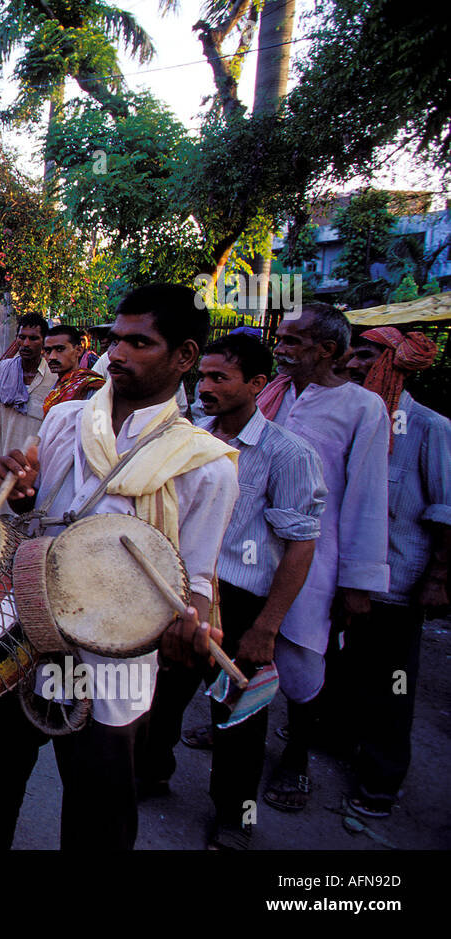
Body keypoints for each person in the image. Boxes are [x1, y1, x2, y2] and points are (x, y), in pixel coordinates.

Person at [0, 284, 239, 851]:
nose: (119, 353)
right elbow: (37, 510)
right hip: (34, 628)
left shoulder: (205, 465)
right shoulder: (66, 421)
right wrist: (24, 493)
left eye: (139, 342)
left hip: (115, 657)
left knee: (99, 798)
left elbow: (197, 578)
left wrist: (193, 624)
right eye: (114, 339)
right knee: (5, 761)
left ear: (184, 356)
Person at [137, 333, 326, 849]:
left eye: (220, 378)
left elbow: (300, 547)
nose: (206, 386)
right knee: (159, 698)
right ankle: (151, 774)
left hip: (243, 606)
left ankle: (233, 816)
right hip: (183, 594)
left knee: (239, 718)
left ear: (257, 384)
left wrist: (267, 627)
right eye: (203, 376)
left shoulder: (288, 453)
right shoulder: (192, 436)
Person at [254, 301, 390, 812]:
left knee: (302, 660)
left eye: (292, 341)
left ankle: (296, 755)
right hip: (249, 548)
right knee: (242, 643)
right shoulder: (271, 393)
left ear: (327, 350)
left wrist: (358, 583)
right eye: (281, 339)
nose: (280, 349)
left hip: (316, 555)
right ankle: (241, 733)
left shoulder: (362, 408)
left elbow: (366, 497)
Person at [341, 327, 448, 818]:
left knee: (394, 681)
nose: (353, 363)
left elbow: (445, 510)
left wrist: (438, 579)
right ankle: (340, 741)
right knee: (346, 667)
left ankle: (381, 781)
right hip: (344, 574)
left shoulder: (429, 427)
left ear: (393, 361)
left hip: (396, 582)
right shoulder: (355, 418)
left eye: (366, 355)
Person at [0, 314, 59, 505]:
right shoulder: (3, 371)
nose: (25, 343)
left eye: (33, 338)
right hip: (4, 462)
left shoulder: (54, 377)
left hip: (37, 468)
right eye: (21, 337)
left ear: (44, 342)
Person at [42, 324, 105, 411]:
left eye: (60, 349)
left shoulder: (90, 387)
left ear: (78, 351)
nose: (52, 357)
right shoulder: (57, 387)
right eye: (48, 351)